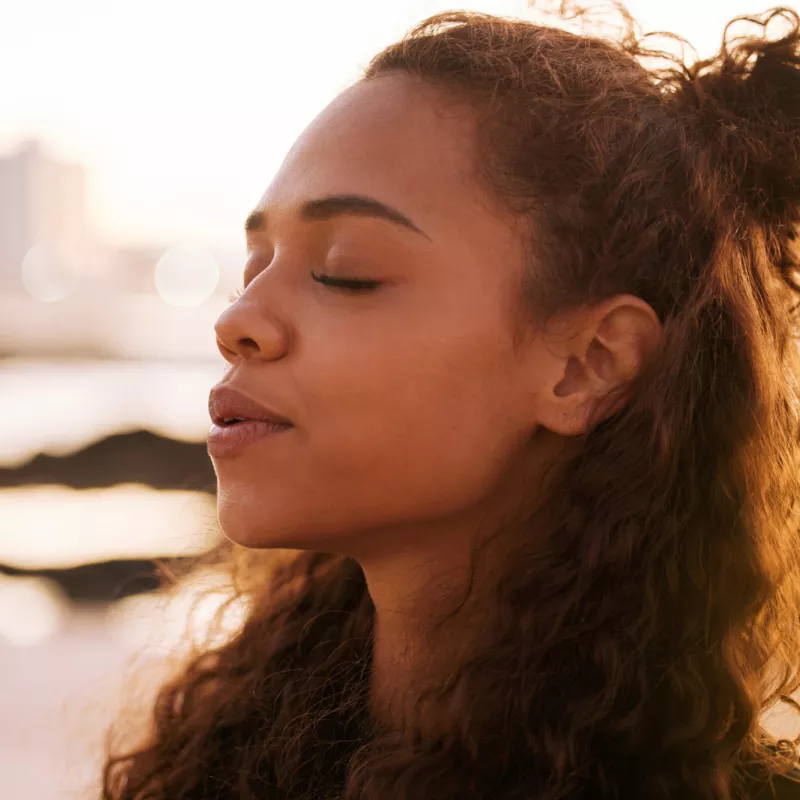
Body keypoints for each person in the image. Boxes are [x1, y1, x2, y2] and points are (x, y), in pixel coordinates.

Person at [102, 4, 800, 798]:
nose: (237, 322)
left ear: (588, 364)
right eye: (255, 265)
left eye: (345, 271)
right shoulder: (230, 760)